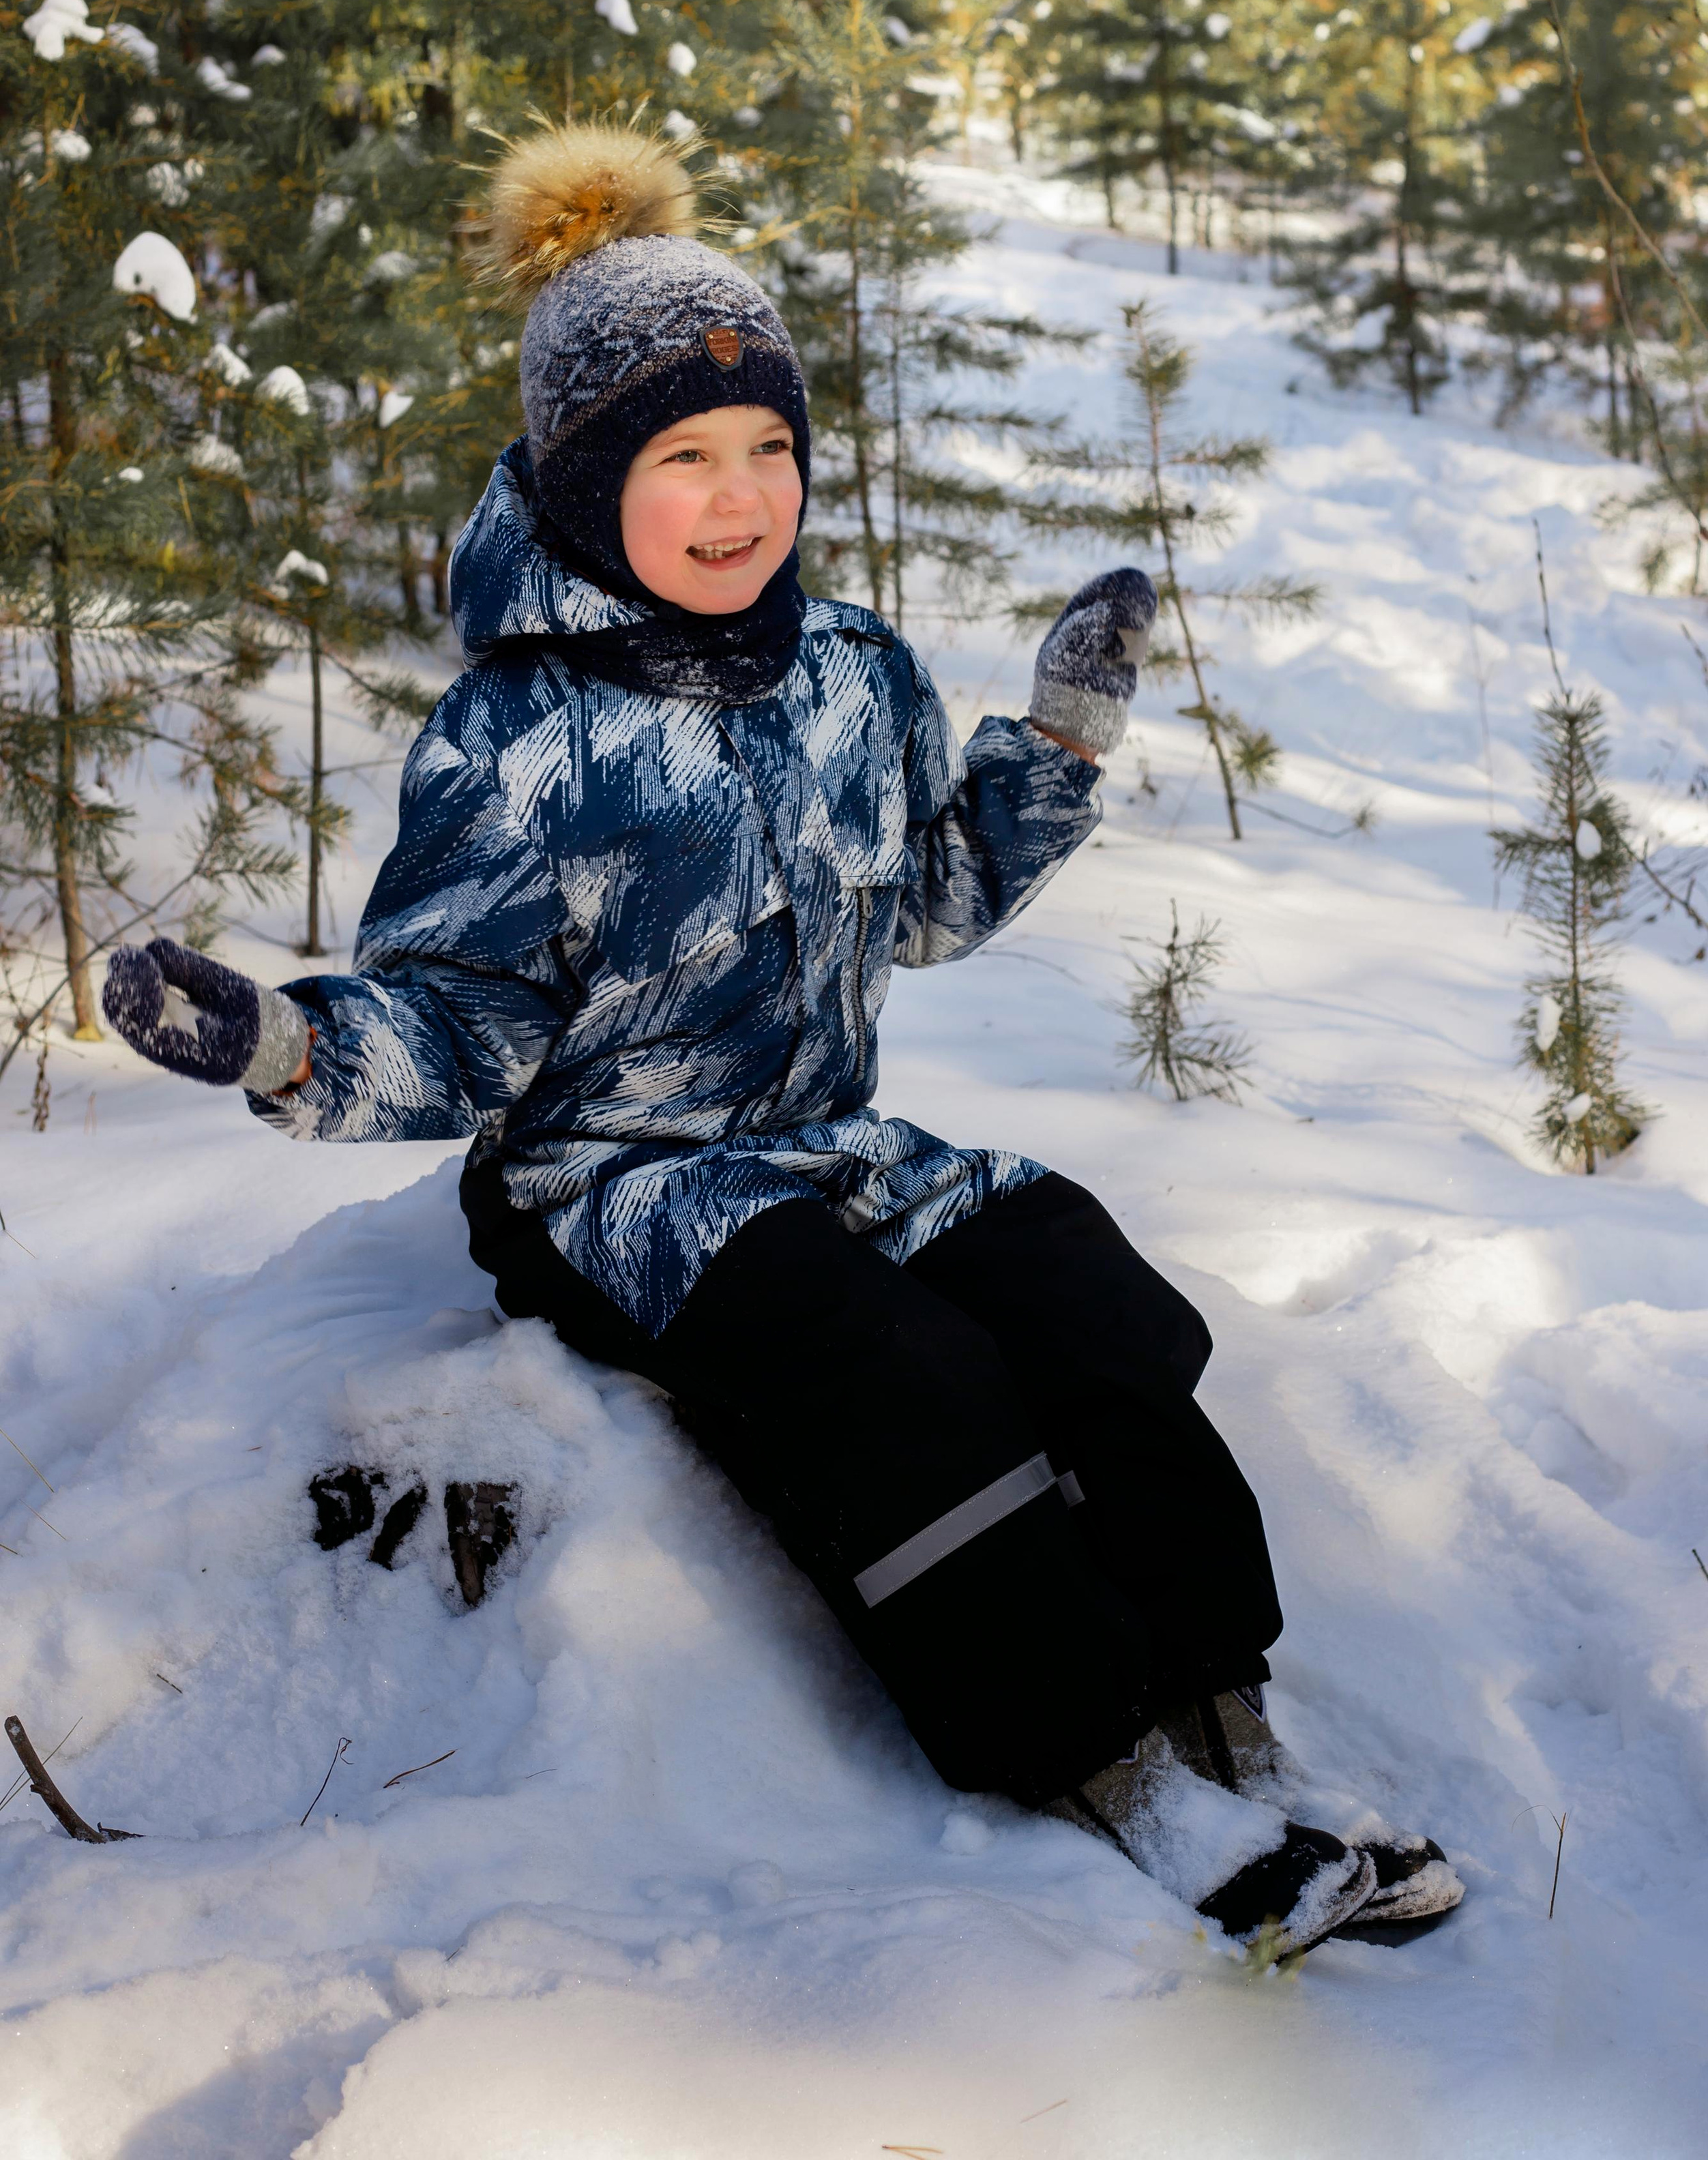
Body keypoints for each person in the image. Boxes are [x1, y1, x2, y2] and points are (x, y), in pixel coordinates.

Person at [104, 121, 1460, 1956]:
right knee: (900, 1372)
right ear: (585, 485)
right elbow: (462, 1018)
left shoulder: (852, 674)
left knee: (1084, 1290)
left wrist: (1053, 746)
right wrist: (290, 1048)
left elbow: (929, 905)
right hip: (611, 1192)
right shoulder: (522, 735)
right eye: (683, 457)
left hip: (825, 1142)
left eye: (769, 448)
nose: (740, 497)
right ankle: (1106, 1767)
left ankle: (1231, 1714)